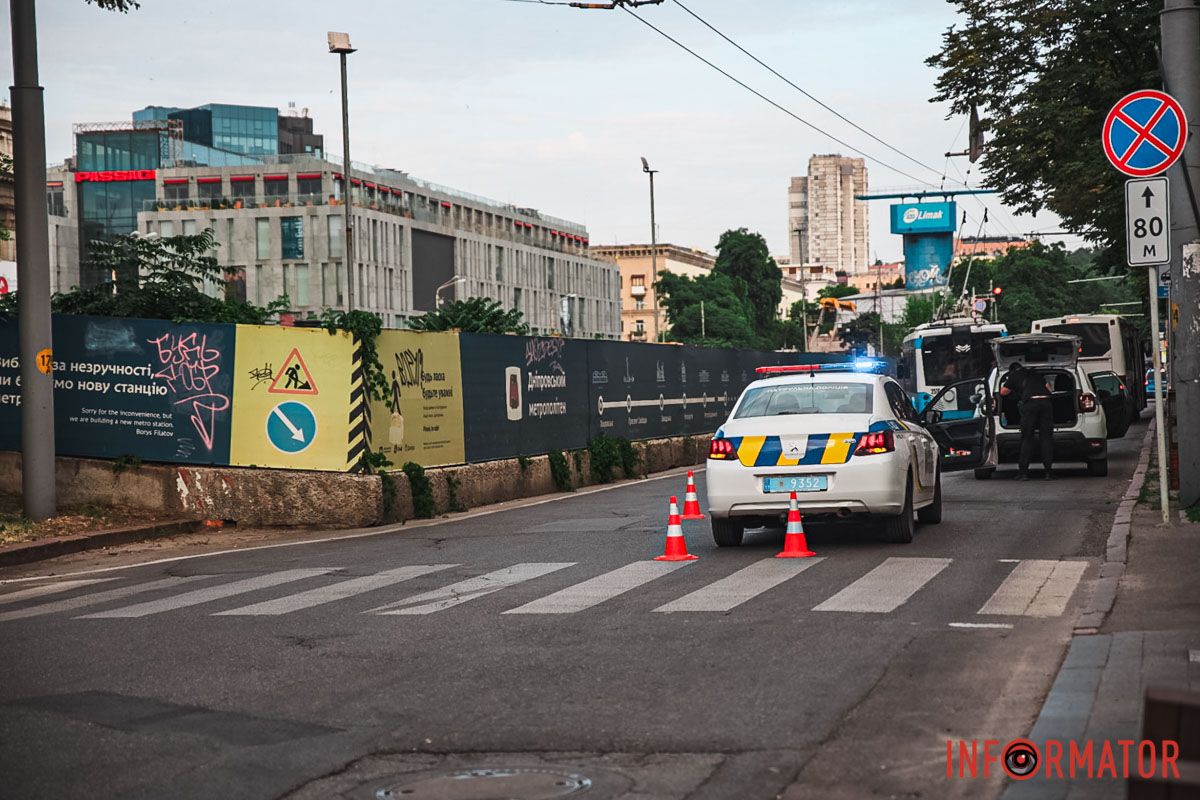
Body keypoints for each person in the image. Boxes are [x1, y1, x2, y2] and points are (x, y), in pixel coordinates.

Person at [999, 362, 1055, 480]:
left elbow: (1003, 392)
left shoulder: (1013, 375)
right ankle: (1048, 473)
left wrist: (1015, 389)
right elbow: (1049, 390)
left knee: (1027, 438)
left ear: (1012, 370)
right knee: (1046, 438)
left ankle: (1023, 473)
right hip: (1046, 404)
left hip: (1030, 405)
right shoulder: (1035, 373)